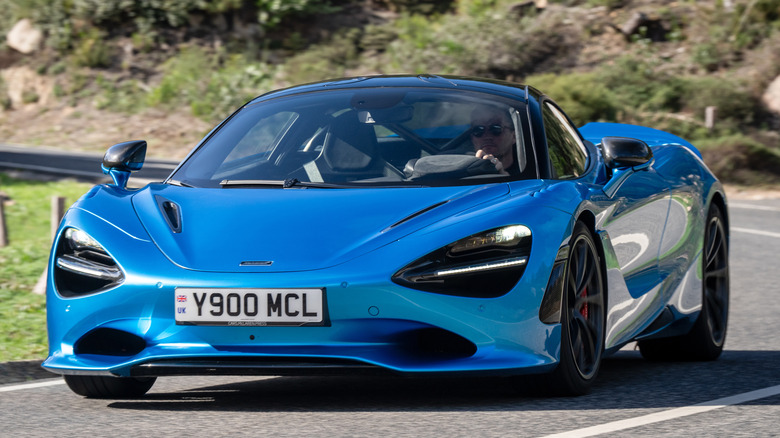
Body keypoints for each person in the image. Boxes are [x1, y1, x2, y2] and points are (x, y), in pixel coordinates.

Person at [470, 106, 520, 175]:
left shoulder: (531, 171)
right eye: (478, 130)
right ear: (472, 138)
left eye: (495, 129)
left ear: (514, 136)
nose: (487, 137)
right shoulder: (463, 168)